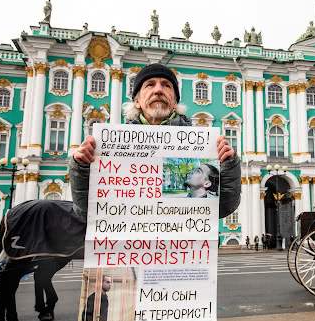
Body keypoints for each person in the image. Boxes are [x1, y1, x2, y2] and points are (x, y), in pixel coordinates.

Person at [69, 63, 241, 221]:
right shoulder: (114, 147)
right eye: (150, 84)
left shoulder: (201, 147)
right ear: (137, 101)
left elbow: (224, 208)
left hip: (180, 250)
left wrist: (229, 165)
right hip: (131, 249)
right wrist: (81, 168)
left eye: (167, 85)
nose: (158, 90)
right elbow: (86, 210)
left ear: (175, 102)